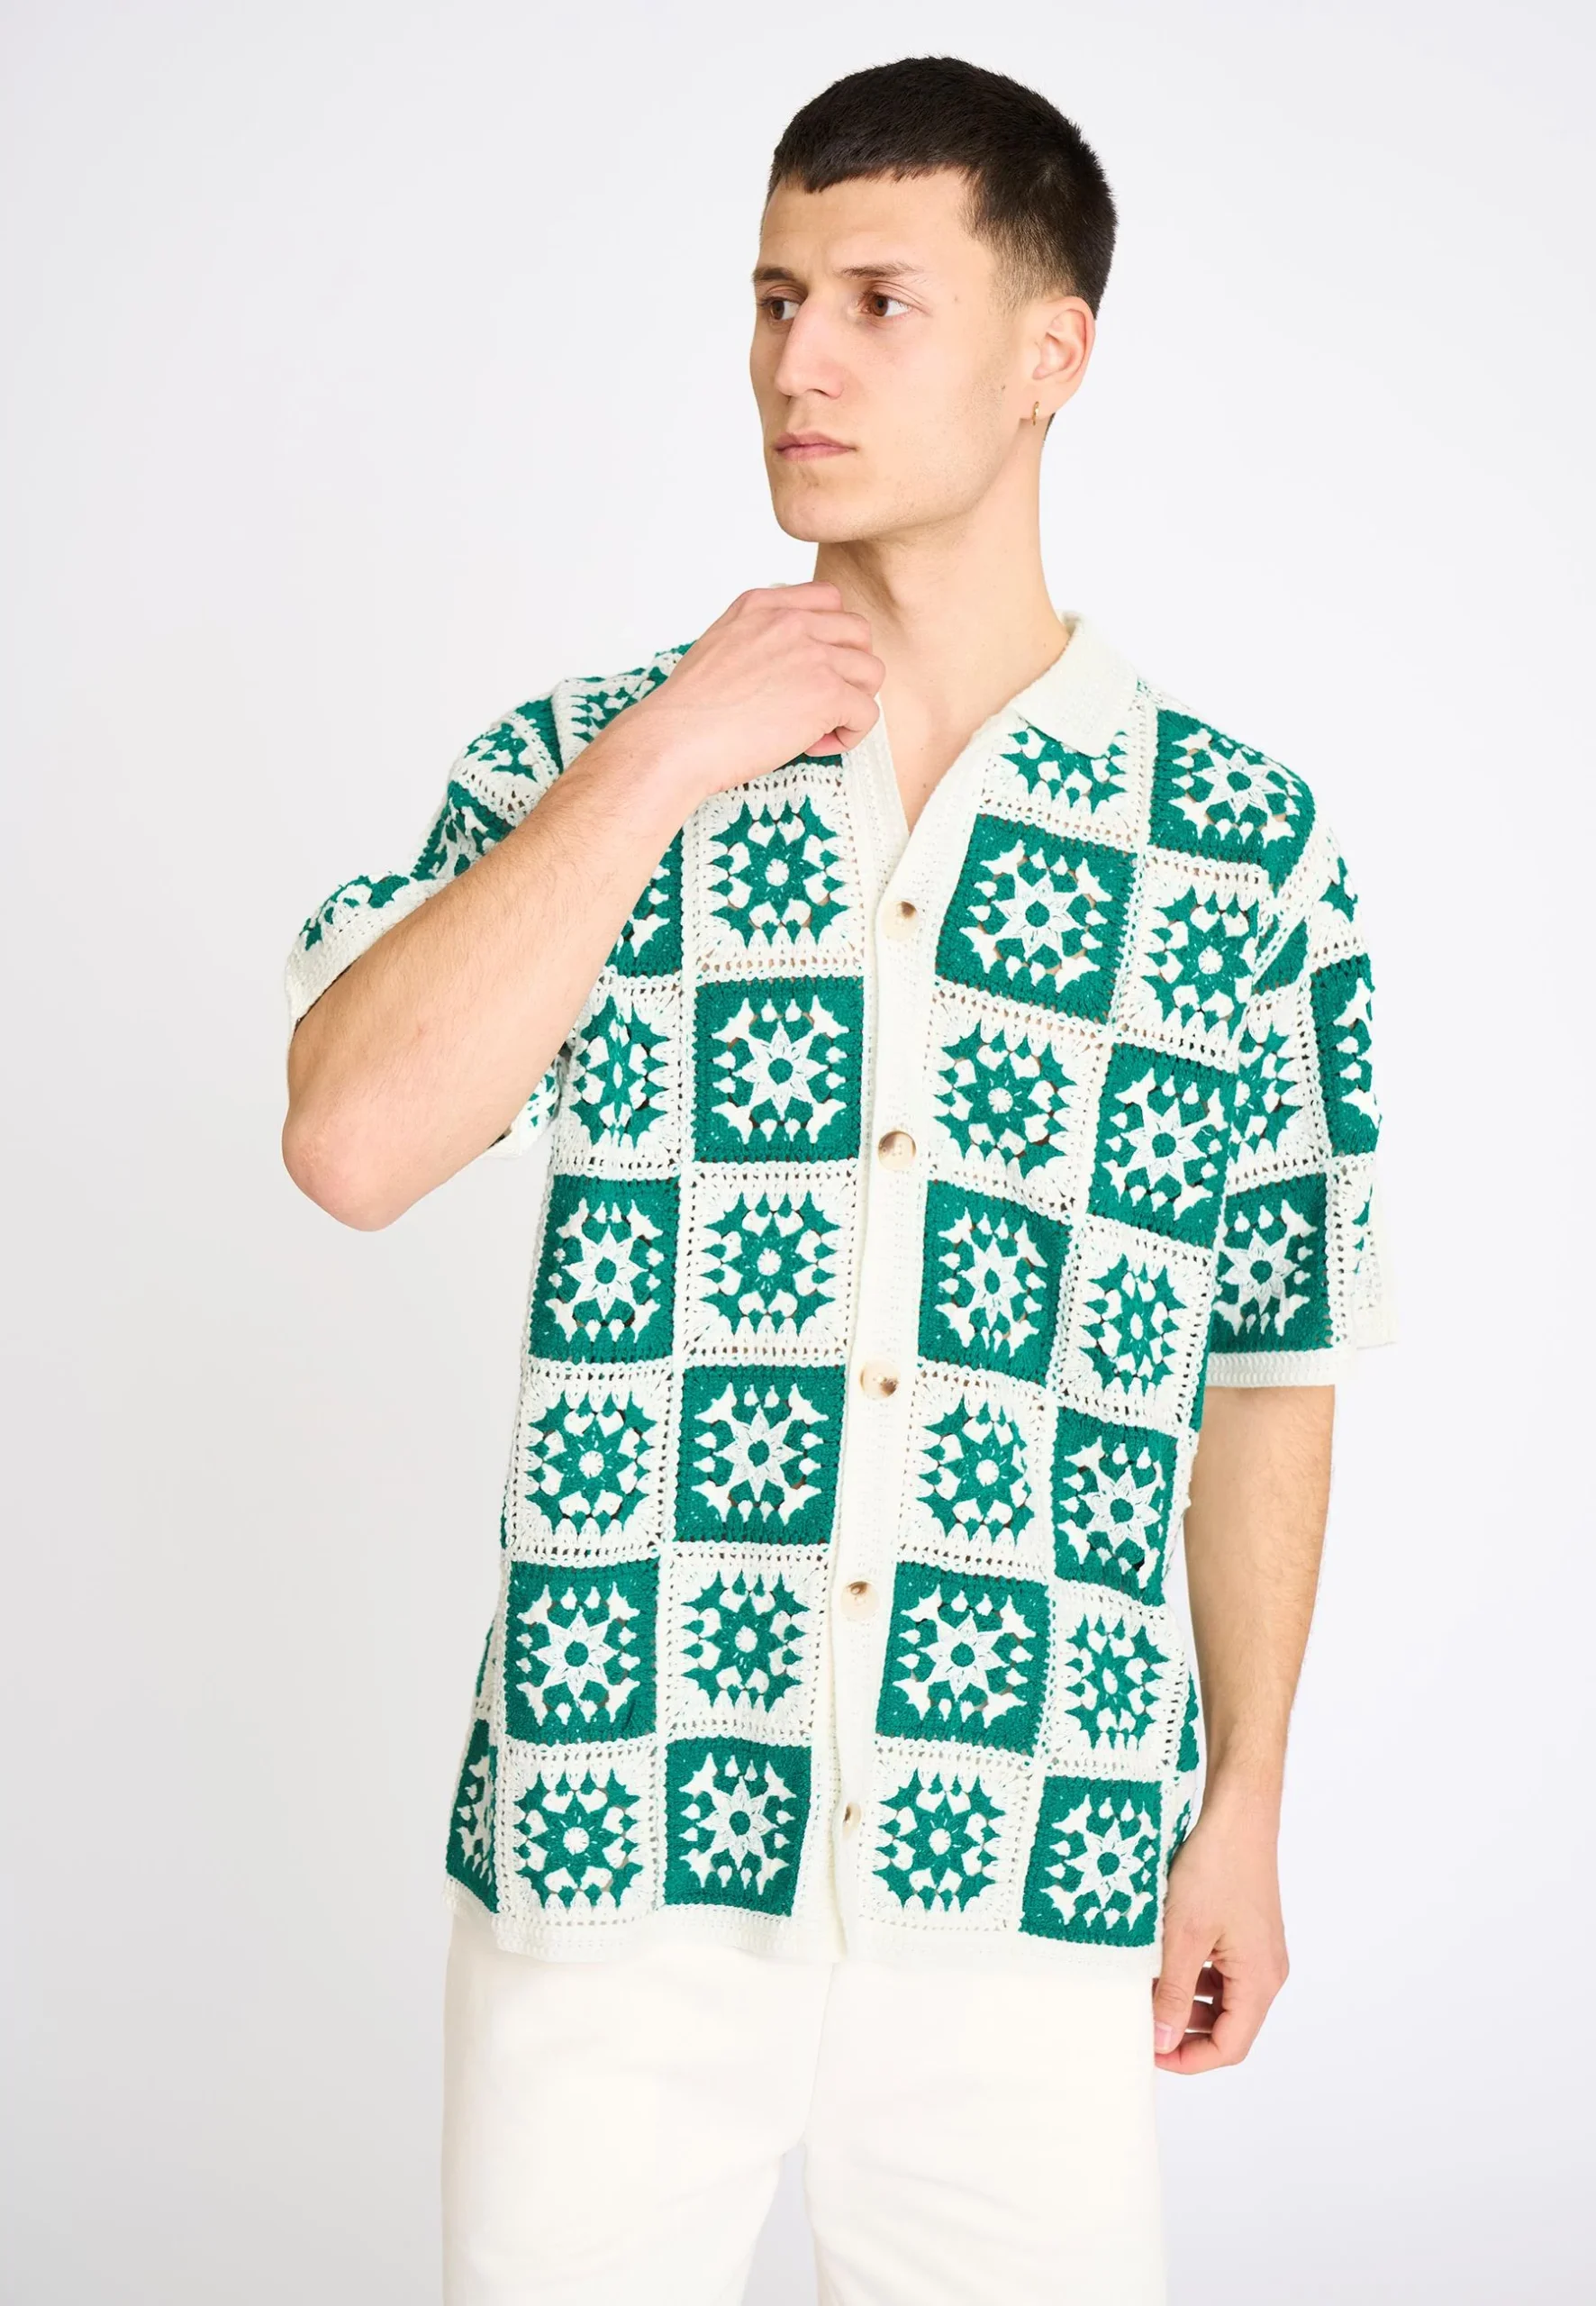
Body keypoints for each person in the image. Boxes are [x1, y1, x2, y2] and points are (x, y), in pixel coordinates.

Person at [281, 51, 1393, 2306]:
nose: (799, 362)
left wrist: (1245, 1802)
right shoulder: (583, 759)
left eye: (879, 300)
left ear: (1049, 351)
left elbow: (1269, 1364)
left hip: (1035, 1860)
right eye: (775, 298)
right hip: (617, 1838)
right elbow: (350, 1138)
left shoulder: (1239, 851)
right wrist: (662, 761)